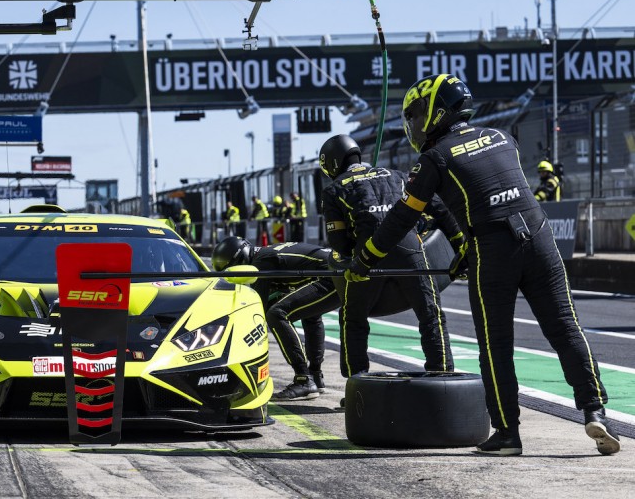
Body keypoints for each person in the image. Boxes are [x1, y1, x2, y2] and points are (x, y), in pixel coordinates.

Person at [345, 73, 620, 456]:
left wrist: (365, 258)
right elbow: (494, 194)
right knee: (565, 328)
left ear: (436, 113)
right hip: (540, 238)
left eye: (417, 114)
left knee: (495, 345)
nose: (414, 124)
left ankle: (508, 434)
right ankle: (595, 410)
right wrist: (463, 252)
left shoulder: (434, 159)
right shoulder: (503, 137)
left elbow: (400, 221)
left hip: (493, 249)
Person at [320, 134, 461, 380]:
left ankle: (357, 385)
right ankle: (442, 376)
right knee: (430, 312)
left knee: (352, 320)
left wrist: (355, 254)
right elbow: (441, 209)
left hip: (367, 255)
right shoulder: (398, 175)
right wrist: (461, 244)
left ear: (331, 163)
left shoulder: (334, 189)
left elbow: (338, 243)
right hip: (409, 246)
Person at [212, 236, 337, 400]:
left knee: (276, 314)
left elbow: (259, 307)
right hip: (335, 273)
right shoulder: (266, 254)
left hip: (330, 277)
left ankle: (303, 379)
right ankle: (314, 376)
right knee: (310, 316)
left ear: (239, 261)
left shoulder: (261, 262)